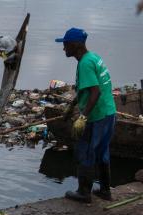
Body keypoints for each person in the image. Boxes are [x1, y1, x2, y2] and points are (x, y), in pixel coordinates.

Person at [56, 27, 116, 202]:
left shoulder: (84, 64)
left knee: (86, 151)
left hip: (96, 117)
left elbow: (95, 92)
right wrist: (71, 108)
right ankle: (105, 191)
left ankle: (84, 193)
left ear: (75, 45)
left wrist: (83, 117)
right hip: (109, 113)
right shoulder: (93, 57)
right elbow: (86, 89)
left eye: (66, 44)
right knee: (102, 152)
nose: (64, 48)